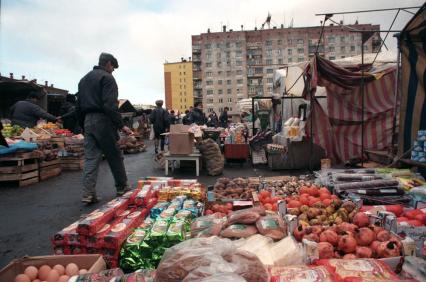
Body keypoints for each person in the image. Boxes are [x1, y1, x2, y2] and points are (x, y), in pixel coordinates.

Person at [76, 52, 133, 204]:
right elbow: (110, 105)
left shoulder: (83, 80)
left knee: (90, 158)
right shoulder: (107, 78)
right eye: (113, 66)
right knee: (114, 155)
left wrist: (83, 125)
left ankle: (88, 194)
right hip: (103, 121)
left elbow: (78, 106)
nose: (113, 70)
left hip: (88, 121)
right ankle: (122, 187)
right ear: (108, 63)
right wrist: (121, 125)